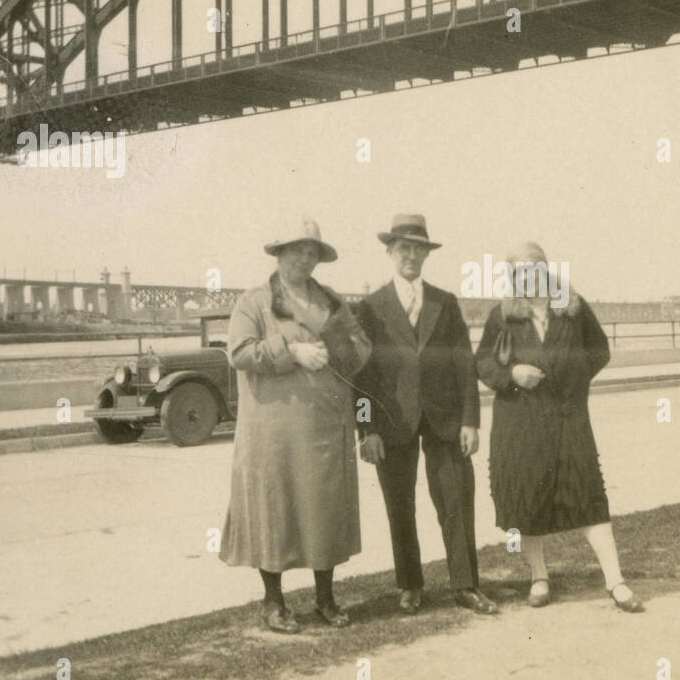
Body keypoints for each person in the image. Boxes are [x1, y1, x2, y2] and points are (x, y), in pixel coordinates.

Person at [219, 220, 372, 633]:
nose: (303, 260)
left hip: (326, 426)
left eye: (311, 253)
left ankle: (325, 598)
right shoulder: (254, 302)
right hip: (274, 433)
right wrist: (292, 351)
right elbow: (238, 352)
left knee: (323, 511)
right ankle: (274, 602)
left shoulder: (332, 301)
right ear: (278, 254)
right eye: (295, 251)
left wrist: (341, 349)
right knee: (276, 511)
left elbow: (360, 350)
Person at [474, 242, 643, 613]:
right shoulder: (503, 316)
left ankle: (615, 580)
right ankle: (539, 576)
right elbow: (483, 364)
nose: (527, 277)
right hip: (520, 422)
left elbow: (599, 351)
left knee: (588, 495)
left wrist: (571, 384)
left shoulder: (573, 308)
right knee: (525, 497)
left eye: (534, 269)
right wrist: (513, 374)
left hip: (568, 420)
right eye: (519, 272)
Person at [355, 214, 496, 616]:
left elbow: (464, 364)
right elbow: (361, 378)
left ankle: (466, 585)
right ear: (390, 252)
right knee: (399, 505)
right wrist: (366, 429)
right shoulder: (370, 307)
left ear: (427, 254)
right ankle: (410, 585)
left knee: (456, 499)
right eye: (404, 248)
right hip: (391, 423)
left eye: (418, 248)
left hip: (446, 420)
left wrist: (470, 419)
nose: (411, 255)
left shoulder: (445, 303)